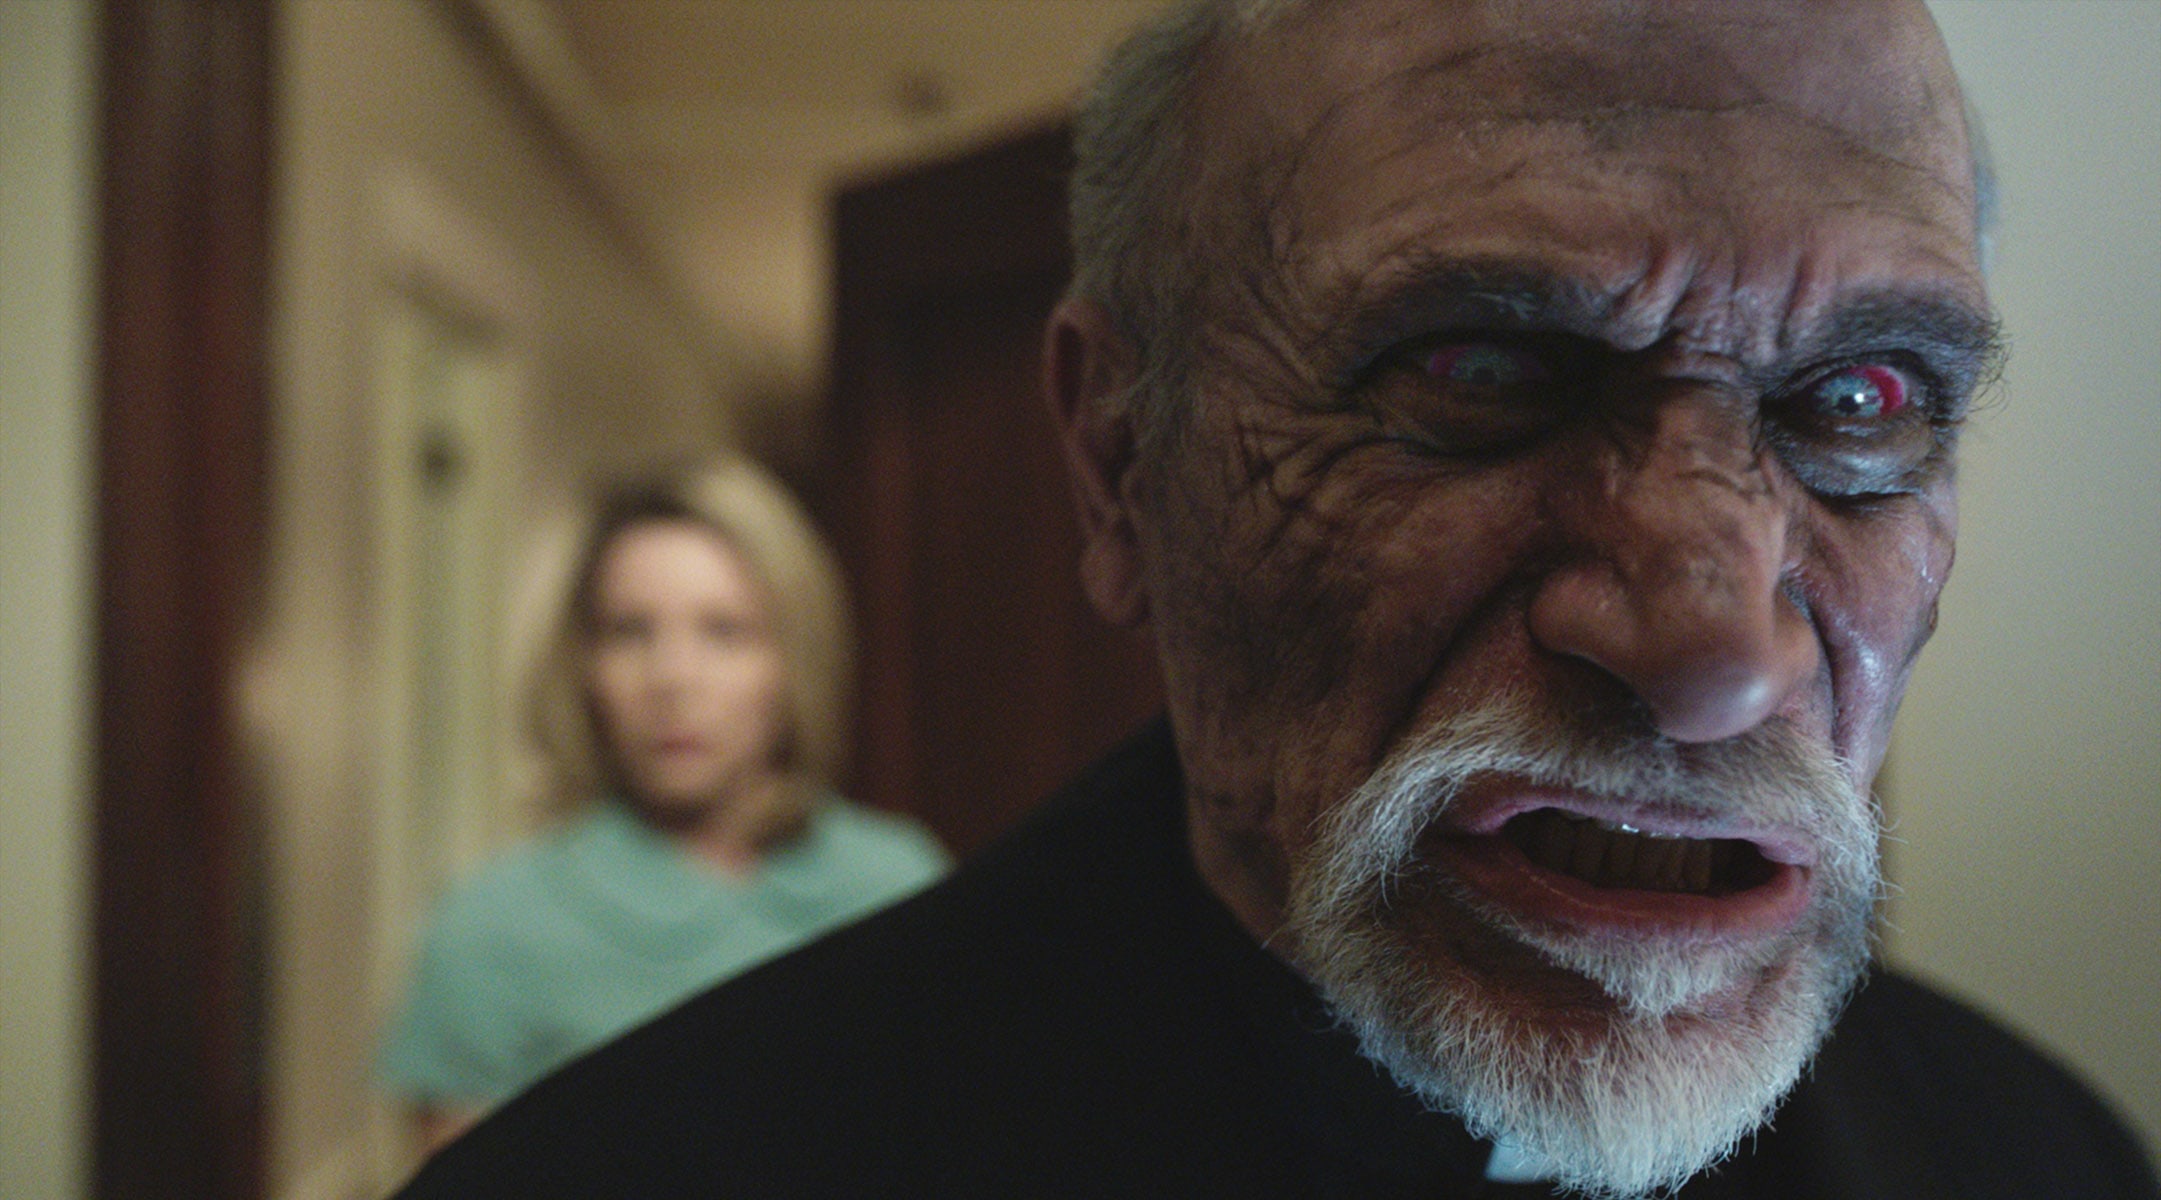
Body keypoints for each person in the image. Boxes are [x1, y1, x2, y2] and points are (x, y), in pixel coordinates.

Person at [397, 2, 2160, 1196]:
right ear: (1119, 460)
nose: (1716, 653)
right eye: (1480, 371)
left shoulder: (2040, 1160)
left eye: (1859, 402)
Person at [378, 455, 948, 1153]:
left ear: (792, 656)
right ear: (582, 667)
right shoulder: (491, 929)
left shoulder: (899, 886)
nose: (673, 678)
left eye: (725, 631)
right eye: (630, 631)